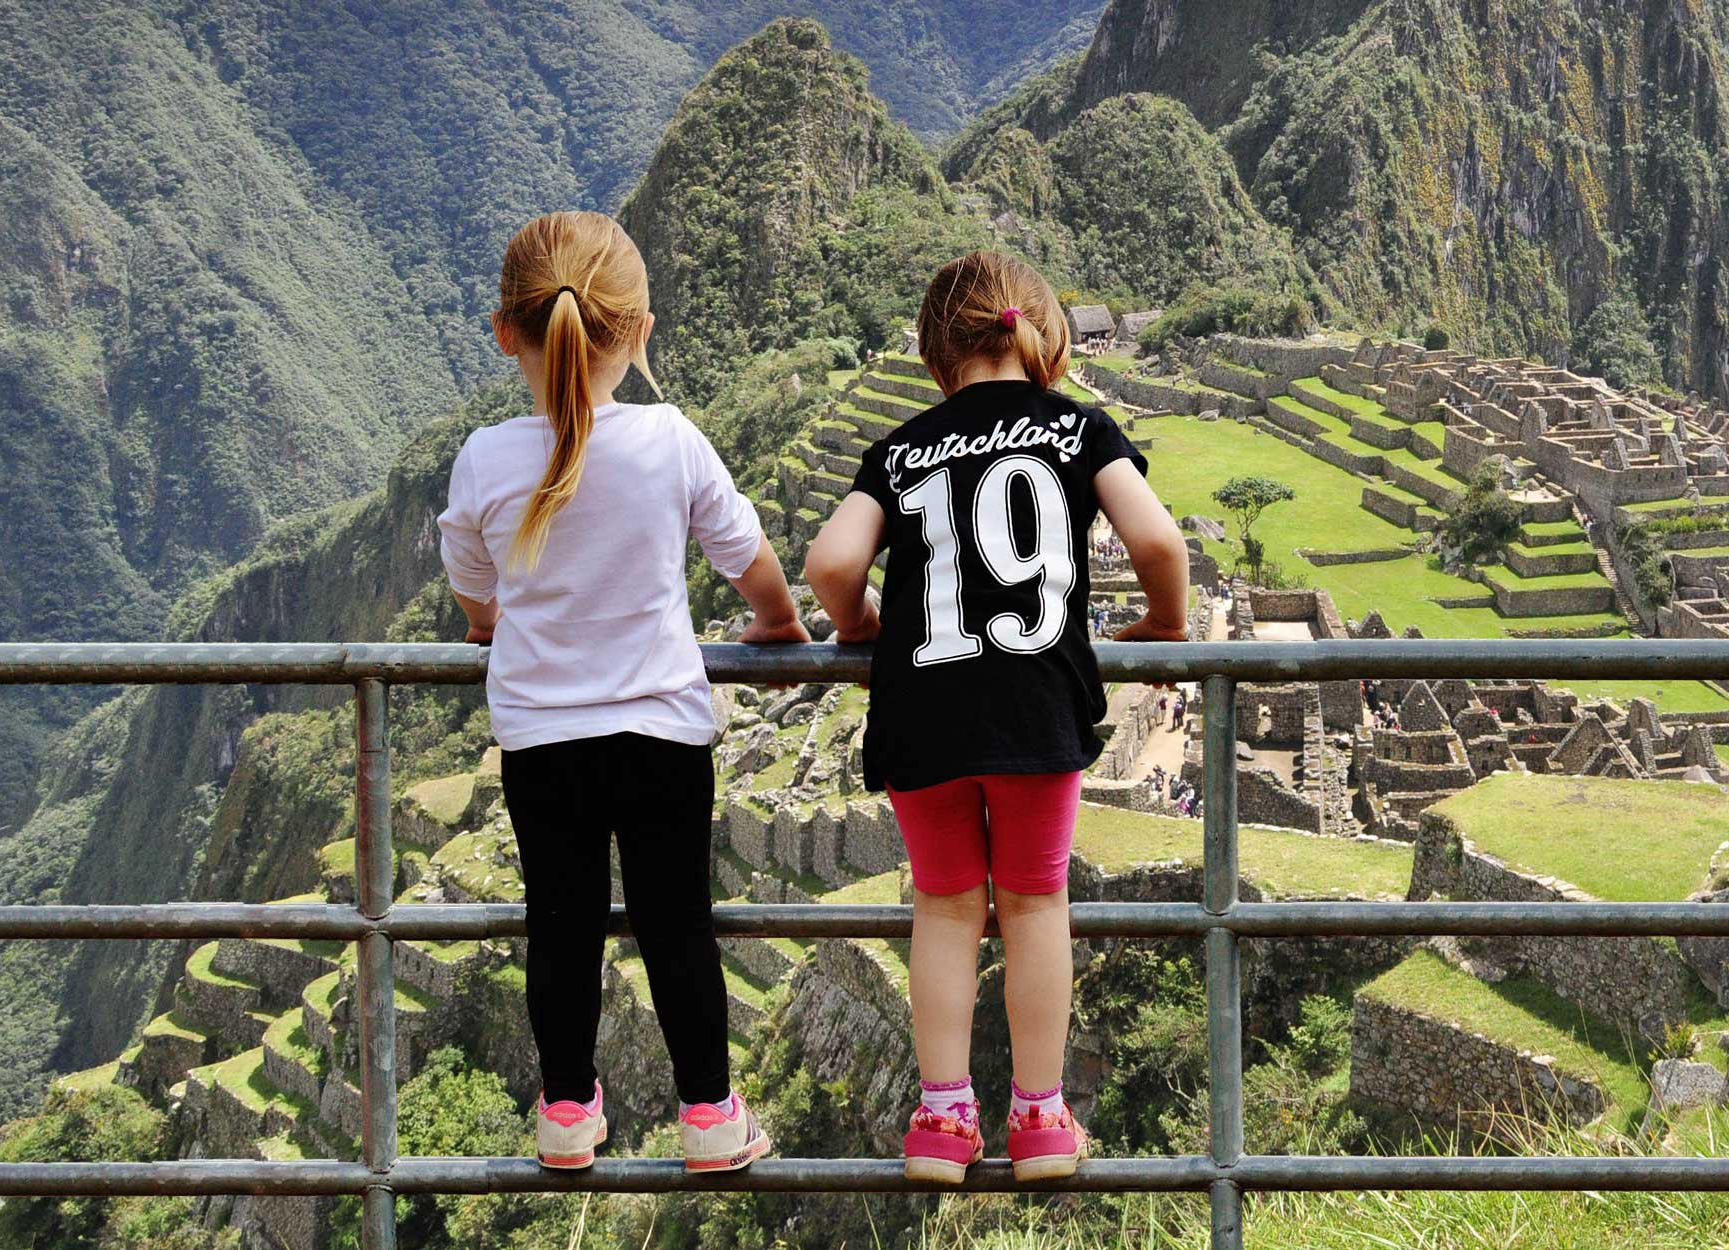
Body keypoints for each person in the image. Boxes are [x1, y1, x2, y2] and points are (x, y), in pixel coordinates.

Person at [436, 211, 809, 1173]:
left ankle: (565, 1114)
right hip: (661, 736)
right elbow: (748, 560)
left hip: (542, 745)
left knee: (559, 926)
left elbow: (473, 592)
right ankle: (711, 1119)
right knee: (676, 924)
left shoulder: (484, 458)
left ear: (504, 332)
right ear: (639, 331)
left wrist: (490, 629)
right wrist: (776, 623)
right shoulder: (671, 440)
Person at [805, 251, 1189, 1184]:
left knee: (943, 904)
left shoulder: (898, 449)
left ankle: (941, 1119)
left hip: (921, 706)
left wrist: (860, 629)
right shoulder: (1079, 430)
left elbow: (829, 565)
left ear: (939, 353)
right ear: (1043, 336)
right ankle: (1041, 1117)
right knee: (1033, 900)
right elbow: (1157, 540)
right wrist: (1166, 624)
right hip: (1034, 705)